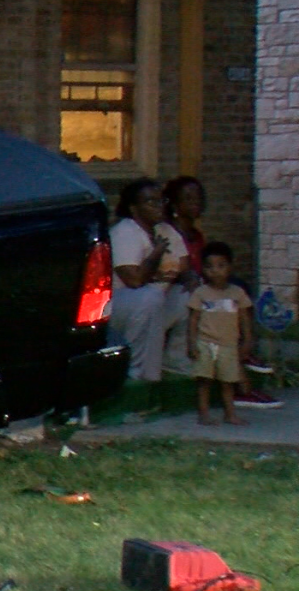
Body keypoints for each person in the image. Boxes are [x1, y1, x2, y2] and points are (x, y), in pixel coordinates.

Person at [163, 175, 284, 409]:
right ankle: (241, 384)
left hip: (204, 290)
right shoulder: (169, 233)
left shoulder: (196, 235)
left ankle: (244, 354)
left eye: (199, 198)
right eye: (188, 199)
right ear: (175, 204)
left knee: (238, 291)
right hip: (179, 297)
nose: (195, 203)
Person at [108, 178, 189, 382]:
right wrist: (157, 253)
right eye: (150, 202)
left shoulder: (165, 230)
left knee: (190, 296)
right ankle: (132, 371)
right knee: (150, 297)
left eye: (161, 201)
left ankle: (175, 361)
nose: (159, 206)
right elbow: (134, 281)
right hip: (118, 308)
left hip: (153, 304)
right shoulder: (125, 232)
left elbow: (185, 266)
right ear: (134, 209)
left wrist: (193, 278)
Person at [187, 241, 254, 426]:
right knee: (204, 381)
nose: (215, 271)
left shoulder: (237, 293)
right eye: (209, 266)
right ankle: (204, 414)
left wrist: (247, 340)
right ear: (203, 269)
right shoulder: (201, 293)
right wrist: (192, 343)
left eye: (221, 265)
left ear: (230, 267)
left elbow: (244, 319)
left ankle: (230, 414)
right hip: (205, 343)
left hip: (229, 344)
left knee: (228, 382)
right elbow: (193, 320)